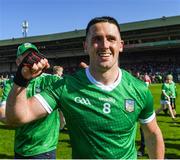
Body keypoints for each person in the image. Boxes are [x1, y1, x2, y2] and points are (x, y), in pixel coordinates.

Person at [6, 16, 164, 159]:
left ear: (121, 45)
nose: (104, 45)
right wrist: (22, 79)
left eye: (111, 38)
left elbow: (152, 134)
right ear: (85, 45)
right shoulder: (65, 86)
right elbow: (17, 118)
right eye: (97, 39)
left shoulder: (139, 89)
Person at [1, 43, 61, 159]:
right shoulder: (11, 84)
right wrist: (13, 117)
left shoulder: (51, 80)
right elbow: (3, 113)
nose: (31, 59)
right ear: (18, 62)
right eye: (26, 57)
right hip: (20, 148)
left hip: (44, 149)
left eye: (33, 55)